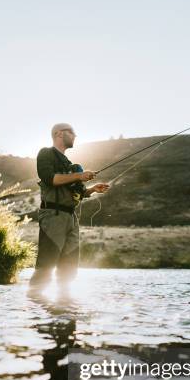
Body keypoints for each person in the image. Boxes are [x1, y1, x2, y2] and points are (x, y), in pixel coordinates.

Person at [29, 123, 109, 290]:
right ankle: (33, 307)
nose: (75, 136)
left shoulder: (69, 164)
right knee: (46, 266)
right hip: (53, 215)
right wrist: (79, 175)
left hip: (71, 218)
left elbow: (77, 192)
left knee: (69, 271)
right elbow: (50, 178)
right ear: (59, 134)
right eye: (72, 132)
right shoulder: (46, 153)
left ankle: (65, 310)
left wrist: (92, 190)